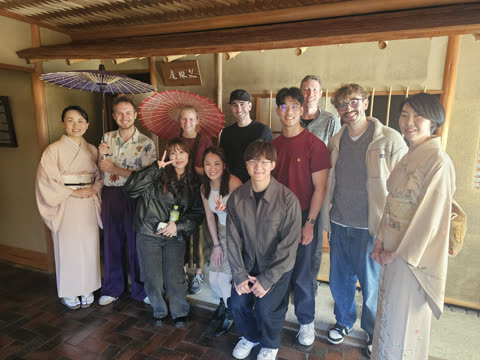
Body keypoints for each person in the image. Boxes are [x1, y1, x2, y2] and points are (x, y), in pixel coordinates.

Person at [319, 84, 407, 357]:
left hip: (372, 227)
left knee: (371, 285)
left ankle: (372, 330)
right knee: (339, 280)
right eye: (342, 105)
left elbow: (403, 187)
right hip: (340, 222)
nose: (348, 109)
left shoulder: (389, 139)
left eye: (354, 102)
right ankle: (344, 321)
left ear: (365, 102)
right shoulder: (336, 140)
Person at [370, 93, 455, 360]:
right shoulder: (410, 155)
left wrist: (397, 252)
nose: (409, 122)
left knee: (404, 319)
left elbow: (429, 219)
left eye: (418, 116)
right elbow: (391, 202)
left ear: (434, 121)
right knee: (390, 314)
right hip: (392, 248)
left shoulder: (439, 161)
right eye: (405, 115)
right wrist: (381, 240)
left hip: (411, 257)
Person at [227, 140, 301, 360]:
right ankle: (251, 336)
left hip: (276, 268)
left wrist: (268, 279)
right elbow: (232, 239)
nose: (257, 167)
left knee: (265, 308)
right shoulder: (237, 197)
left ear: (273, 165)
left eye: (264, 162)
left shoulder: (288, 200)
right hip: (248, 264)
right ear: (246, 165)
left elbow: (288, 247)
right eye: (252, 162)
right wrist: (239, 274)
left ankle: (270, 343)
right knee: (237, 302)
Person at [272, 87, 330, 346]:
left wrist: (310, 223)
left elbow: (321, 187)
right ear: (277, 111)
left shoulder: (314, 145)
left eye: (294, 106)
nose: (289, 112)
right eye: (284, 107)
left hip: (305, 216)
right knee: (277, 272)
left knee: (303, 275)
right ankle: (274, 319)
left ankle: (306, 323)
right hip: (276, 219)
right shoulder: (272, 146)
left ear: (302, 109)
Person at [124, 138, 204, 326]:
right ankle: (159, 309)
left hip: (174, 233)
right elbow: (131, 190)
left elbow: (198, 213)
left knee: (175, 276)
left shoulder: (194, 181)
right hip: (148, 231)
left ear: (188, 155)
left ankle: (180, 310)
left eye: (182, 152)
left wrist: (178, 226)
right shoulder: (156, 174)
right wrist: (154, 168)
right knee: (153, 277)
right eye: (173, 153)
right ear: (166, 155)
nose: (178, 157)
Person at [36, 105, 102, 310]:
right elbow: (46, 180)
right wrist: (73, 192)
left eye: (81, 121)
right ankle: (70, 291)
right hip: (66, 204)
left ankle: (87, 288)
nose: (76, 125)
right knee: (68, 248)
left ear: (87, 124)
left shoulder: (92, 150)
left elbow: (100, 176)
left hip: (88, 203)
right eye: (71, 120)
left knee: (89, 246)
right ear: (63, 123)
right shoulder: (53, 150)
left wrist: (94, 188)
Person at [97, 96, 156, 306]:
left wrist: (115, 169)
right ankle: (113, 288)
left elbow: (146, 177)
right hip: (112, 194)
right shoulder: (106, 138)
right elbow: (101, 168)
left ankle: (141, 289)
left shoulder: (146, 143)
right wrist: (100, 155)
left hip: (136, 196)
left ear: (135, 115)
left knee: (136, 243)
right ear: (113, 116)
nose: (124, 117)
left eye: (128, 113)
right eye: (120, 113)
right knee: (112, 241)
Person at [300, 75, 341, 294]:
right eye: (306, 89)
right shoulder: (292, 116)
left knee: (313, 239)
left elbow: (334, 155)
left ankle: (310, 285)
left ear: (321, 94)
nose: (310, 94)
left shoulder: (330, 120)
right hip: (294, 186)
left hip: (319, 186)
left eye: (314, 90)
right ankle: (292, 282)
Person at [200, 147, 242, 336]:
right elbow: (210, 218)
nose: (212, 168)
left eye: (216, 163)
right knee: (212, 278)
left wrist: (227, 210)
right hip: (220, 233)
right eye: (207, 164)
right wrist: (216, 245)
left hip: (237, 234)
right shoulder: (204, 187)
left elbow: (246, 216)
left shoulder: (233, 183)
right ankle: (224, 304)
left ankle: (230, 313)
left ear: (224, 165)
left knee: (223, 279)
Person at [178, 105, 213, 294]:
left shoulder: (206, 141)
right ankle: (182, 271)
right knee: (180, 230)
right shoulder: (175, 140)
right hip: (179, 192)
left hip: (200, 191)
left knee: (199, 231)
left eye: (191, 119)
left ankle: (198, 273)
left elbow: (212, 167)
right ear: (179, 121)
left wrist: (194, 169)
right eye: (184, 119)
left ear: (197, 121)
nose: (188, 123)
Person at [220, 89, 273, 182]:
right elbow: (223, 160)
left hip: (256, 182)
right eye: (234, 105)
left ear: (249, 106)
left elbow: (268, 161)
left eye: (242, 104)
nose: (239, 109)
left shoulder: (263, 131)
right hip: (232, 183)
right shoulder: (226, 133)